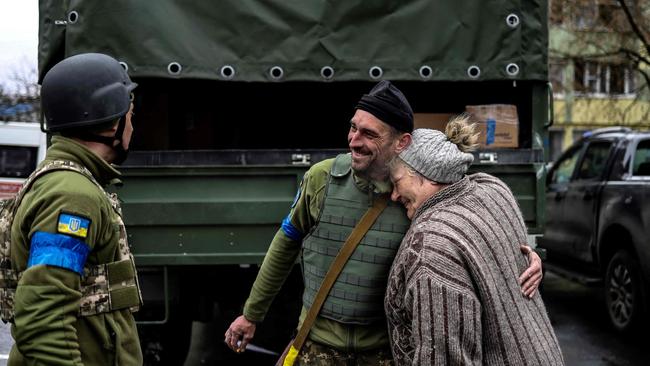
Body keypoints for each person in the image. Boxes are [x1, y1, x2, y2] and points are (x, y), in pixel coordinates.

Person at [225, 81, 543, 365]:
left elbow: (476, 223)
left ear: (401, 142)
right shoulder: (322, 179)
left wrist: (525, 256)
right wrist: (252, 314)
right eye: (353, 128)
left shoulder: (418, 191)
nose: (353, 140)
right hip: (318, 345)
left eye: (369, 134)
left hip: (386, 352)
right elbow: (286, 242)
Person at [385, 116, 564, 365]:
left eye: (397, 183)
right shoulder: (494, 189)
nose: (394, 195)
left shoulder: (431, 245)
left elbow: (446, 358)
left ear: (428, 175)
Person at [7, 53, 143, 365]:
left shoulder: (70, 183)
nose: (133, 127)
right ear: (112, 122)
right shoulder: (71, 195)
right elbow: (43, 317)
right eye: (131, 115)